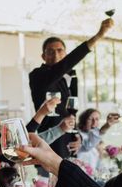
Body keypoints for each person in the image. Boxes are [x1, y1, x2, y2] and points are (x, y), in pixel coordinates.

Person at [28, 18, 113, 156]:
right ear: (43, 56)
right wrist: (98, 36)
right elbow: (63, 66)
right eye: (50, 51)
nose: (55, 54)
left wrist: (76, 134)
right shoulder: (38, 75)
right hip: (49, 141)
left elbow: (72, 110)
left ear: (65, 54)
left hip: (69, 141)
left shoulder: (71, 76)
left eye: (60, 50)